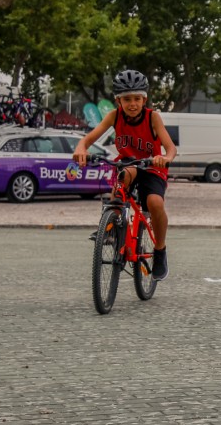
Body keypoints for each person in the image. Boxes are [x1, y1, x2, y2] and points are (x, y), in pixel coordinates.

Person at [73, 69, 177, 280]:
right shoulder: (114, 116)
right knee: (123, 176)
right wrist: (81, 149)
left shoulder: (152, 117)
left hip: (151, 166)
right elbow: (87, 139)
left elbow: (171, 148)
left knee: (155, 203)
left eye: (137, 99)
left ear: (144, 99)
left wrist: (165, 158)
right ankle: (111, 226)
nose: (132, 104)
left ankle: (160, 250)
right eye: (127, 99)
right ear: (118, 100)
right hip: (129, 164)